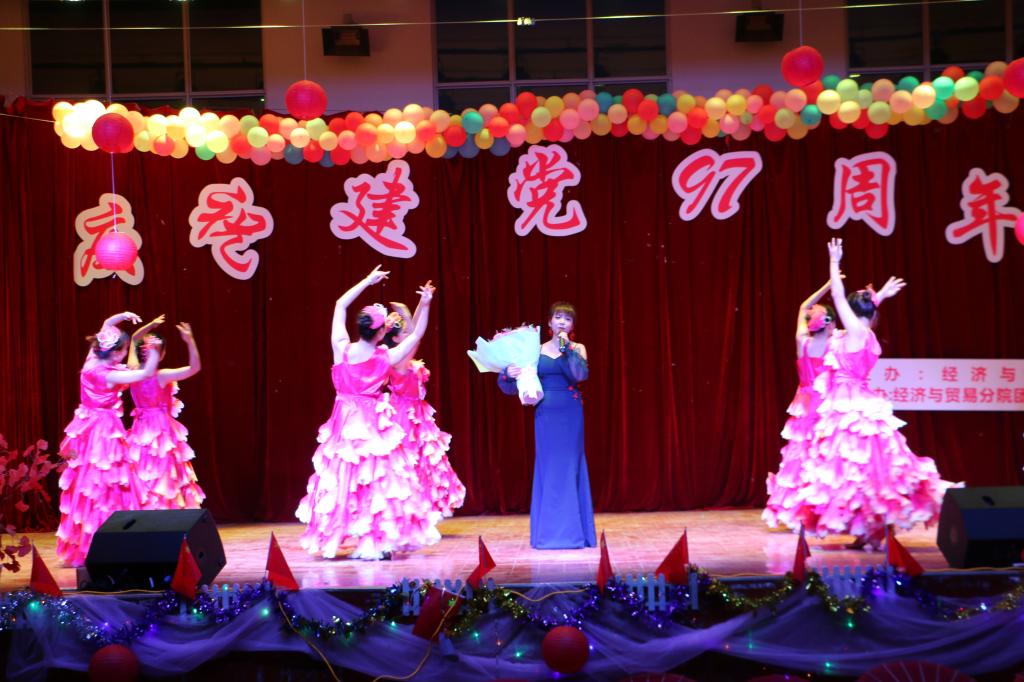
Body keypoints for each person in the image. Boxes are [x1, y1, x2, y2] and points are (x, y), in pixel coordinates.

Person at [785, 239, 956, 548]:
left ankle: (873, 530)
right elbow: (861, 311)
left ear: (850, 312)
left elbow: (839, 296)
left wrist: (834, 262)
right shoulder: (865, 334)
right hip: (861, 404)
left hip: (849, 407)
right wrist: (881, 296)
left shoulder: (854, 332)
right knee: (869, 472)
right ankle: (872, 531)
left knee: (853, 472)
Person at [295, 266, 440, 560]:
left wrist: (366, 281)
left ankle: (346, 532)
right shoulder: (386, 357)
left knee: (344, 476)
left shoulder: (342, 349)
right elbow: (417, 334)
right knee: (375, 478)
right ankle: (375, 538)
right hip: (372, 421)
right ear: (382, 331)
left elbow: (340, 304)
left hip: (346, 421)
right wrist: (424, 303)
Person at [56, 312, 158, 566]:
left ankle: (88, 537)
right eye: (123, 350)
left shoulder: (92, 360)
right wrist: (154, 351)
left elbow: (106, 325)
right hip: (103, 430)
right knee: (106, 479)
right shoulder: (109, 375)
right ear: (114, 352)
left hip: (86, 425)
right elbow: (145, 373)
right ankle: (106, 536)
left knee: (87, 479)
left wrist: (122, 316)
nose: (124, 354)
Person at [501, 302, 596, 549]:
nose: (562, 321)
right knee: (549, 468)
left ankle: (575, 535)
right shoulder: (536, 350)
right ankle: (547, 535)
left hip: (571, 413)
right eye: (558, 317)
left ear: (572, 325)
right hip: (545, 414)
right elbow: (512, 386)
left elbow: (579, 375)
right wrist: (509, 373)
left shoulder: (577, 348)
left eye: (568, 318)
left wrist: (566, 348)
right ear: (549, 323)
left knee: (570, 467)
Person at [762, 280, 838, 529]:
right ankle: (821, 508)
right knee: (825, 456)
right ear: (828, 325)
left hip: (805, 404)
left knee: (800, 457)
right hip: (825, 404)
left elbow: (803, 305)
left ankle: (798, 509)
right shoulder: (833, 344)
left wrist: (826, 286)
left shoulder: (802, 341)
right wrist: (834, 285)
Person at [382, 300, 465, 519]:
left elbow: (414, 330)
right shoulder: (399, 359)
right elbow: (416, 333)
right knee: (409, 462)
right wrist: (408, 312)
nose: (409, 334)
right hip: (403, 416)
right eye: (404, 333)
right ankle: (408, 510)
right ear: (396, 339)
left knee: (423, 462)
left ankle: (421, 510)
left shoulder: (402, 356)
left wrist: (421, 303)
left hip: (417, 413)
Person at [125, 316, 206, 510]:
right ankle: (165, 509)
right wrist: (190, 341)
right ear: (161, 355)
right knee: (163, 471)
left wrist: (150, 326)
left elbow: (135, 338)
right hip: (160, 429)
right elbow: (194, 368)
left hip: (141, 429)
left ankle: (149, 509)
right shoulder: (161, 375)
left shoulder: (132, 370)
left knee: (143, 469)